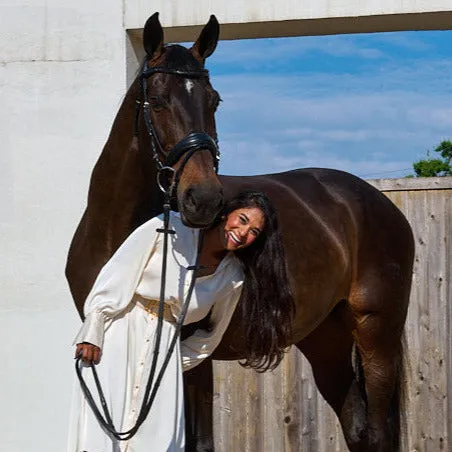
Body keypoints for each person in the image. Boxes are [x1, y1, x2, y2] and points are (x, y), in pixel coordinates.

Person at [67, 191, 294, 452]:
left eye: (253, 231)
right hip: (120, 332)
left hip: (165, 347)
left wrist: (173, 364)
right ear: (226, 214)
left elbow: (210, 337)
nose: (242, 232)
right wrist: (93, 331)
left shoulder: (232, 276)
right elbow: (115, 276)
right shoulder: (167, 229)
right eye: (242, 219)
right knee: (99, 432)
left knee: (155, 439)